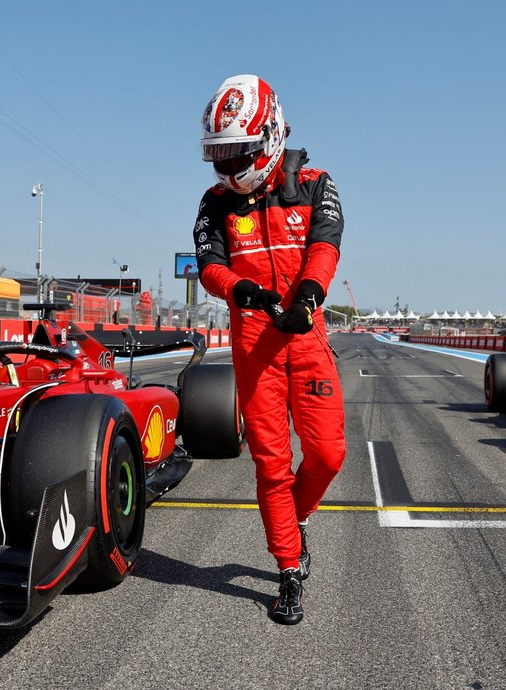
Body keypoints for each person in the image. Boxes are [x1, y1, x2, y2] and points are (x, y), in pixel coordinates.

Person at [192, 74, 345, 625]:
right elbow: (209, 264)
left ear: (272, 134)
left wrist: (307, 296)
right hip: (253, 340)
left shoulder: (315, 182)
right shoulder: (214, 203)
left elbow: (326, 245)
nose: (230, 168)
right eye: (220, 156)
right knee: (271, 463)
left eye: (240, 154)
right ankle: (287, 569)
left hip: (306, 332)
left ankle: (297, 516)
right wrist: (240, 290)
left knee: (328, 454)